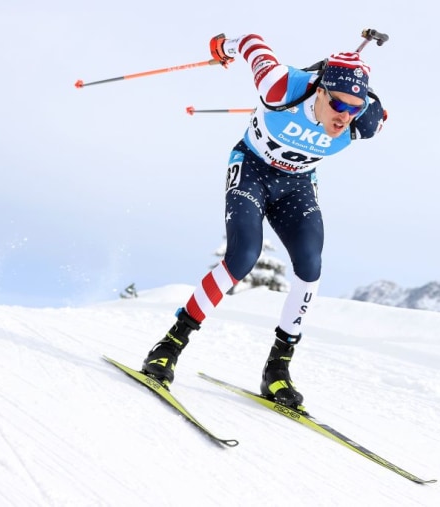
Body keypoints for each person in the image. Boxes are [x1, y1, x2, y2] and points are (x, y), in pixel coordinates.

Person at [140, 33, 386, 413]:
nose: (344, 117)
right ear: (319, 90)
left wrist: (360, 105)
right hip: (253, 170)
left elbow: (376, 113)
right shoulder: (280, 86)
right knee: (242, 257)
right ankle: (168, 346)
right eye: (338, 103)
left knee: (310, 265)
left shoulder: (364, 119)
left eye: (355, 108)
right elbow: (253, 42)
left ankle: (277, 369)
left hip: (297, 186)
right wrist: (223, 47)